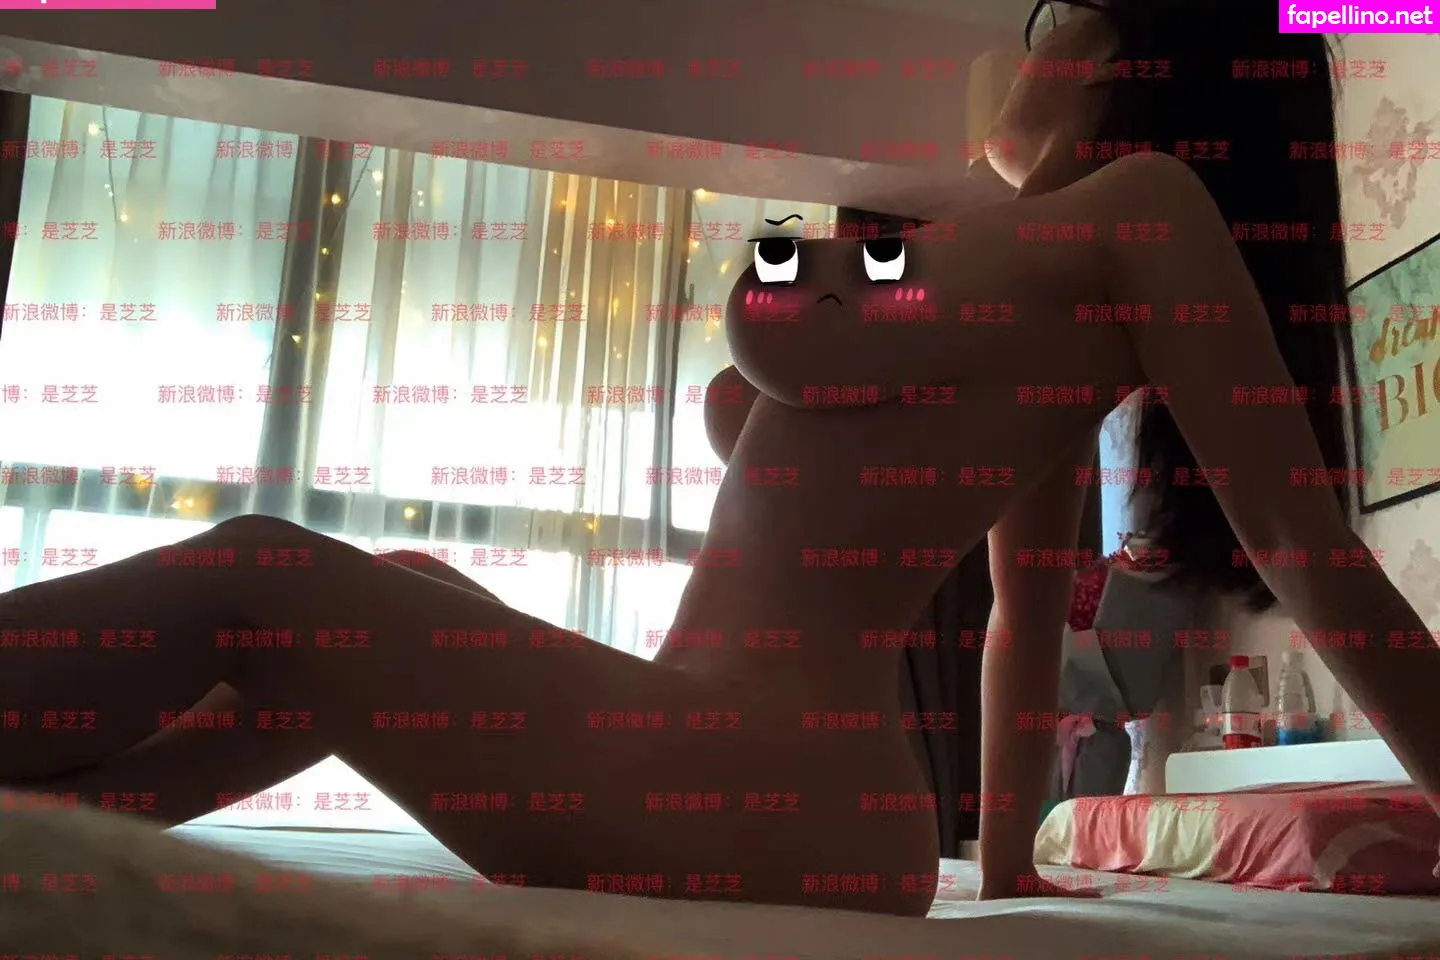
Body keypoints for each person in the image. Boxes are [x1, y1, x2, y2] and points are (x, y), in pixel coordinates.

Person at [2, 0, 1438, 918]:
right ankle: (43, 827)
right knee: (402, 576)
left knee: (264, 578)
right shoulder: (1036, 281)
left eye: (1047, 14)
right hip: (759, 762)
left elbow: (1307, 549)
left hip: (769, 768)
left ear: (1119, 57)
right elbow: (1014, 612)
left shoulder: (1138, 209)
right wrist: (1007, 873)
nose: (1022, 41)